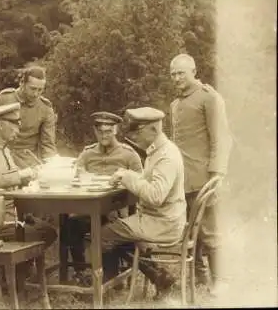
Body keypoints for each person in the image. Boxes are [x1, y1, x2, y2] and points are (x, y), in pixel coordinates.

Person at [0, 91, 57, 291]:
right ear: (0, 124)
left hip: (10, 216)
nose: (19, 128)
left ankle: (16, 276)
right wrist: (21, 175)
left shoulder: (4, 149)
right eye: (15, 123)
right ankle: (14, 282)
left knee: (48, 229)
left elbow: (13, 184)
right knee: (43, 232)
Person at [95, 107, 187, 299]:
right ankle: (158, 275)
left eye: (139, 131)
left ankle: (105, 286)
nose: (135, 136)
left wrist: (127, 176)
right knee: (115, 231)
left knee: (103, 234)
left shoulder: (166, 157)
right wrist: (128, 176)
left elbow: (155, 195)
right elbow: (150, 181)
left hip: (162, 223)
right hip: (161, 218)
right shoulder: (159, 150)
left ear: (154, 129)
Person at [169, 53, 232, 295]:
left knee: (209, 229)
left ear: (194, 72)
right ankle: (197, 275)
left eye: (181, 73)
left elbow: (221, 138)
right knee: (189, 228)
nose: (176, 78)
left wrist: (217, 174)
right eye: (173, 74)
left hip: (204, 177)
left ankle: (220, 279)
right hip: (182, 180)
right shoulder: (176, 104)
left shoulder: (209, 98)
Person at [63, 111, 143, 286]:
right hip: (90, 208)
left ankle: (110, 275)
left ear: (116, 131)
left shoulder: (129, 154)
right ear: (95, 131)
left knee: (108, 226)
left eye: (108, 131)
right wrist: (80, 174)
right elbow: (74, 176)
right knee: (70, 225)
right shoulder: (87, 154)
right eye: (100, 131)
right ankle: (81, 271)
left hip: (118, 212)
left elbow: (140, 184)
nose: (104, 135)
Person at [0, 65, 58, 169]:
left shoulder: (45, 108)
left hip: (28, 162)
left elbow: (48, 145)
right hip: (1, 158)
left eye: (40, 90)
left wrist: (53, 167)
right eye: (32, 89)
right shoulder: (4, 98)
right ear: (22, 83)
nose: (36, 94)